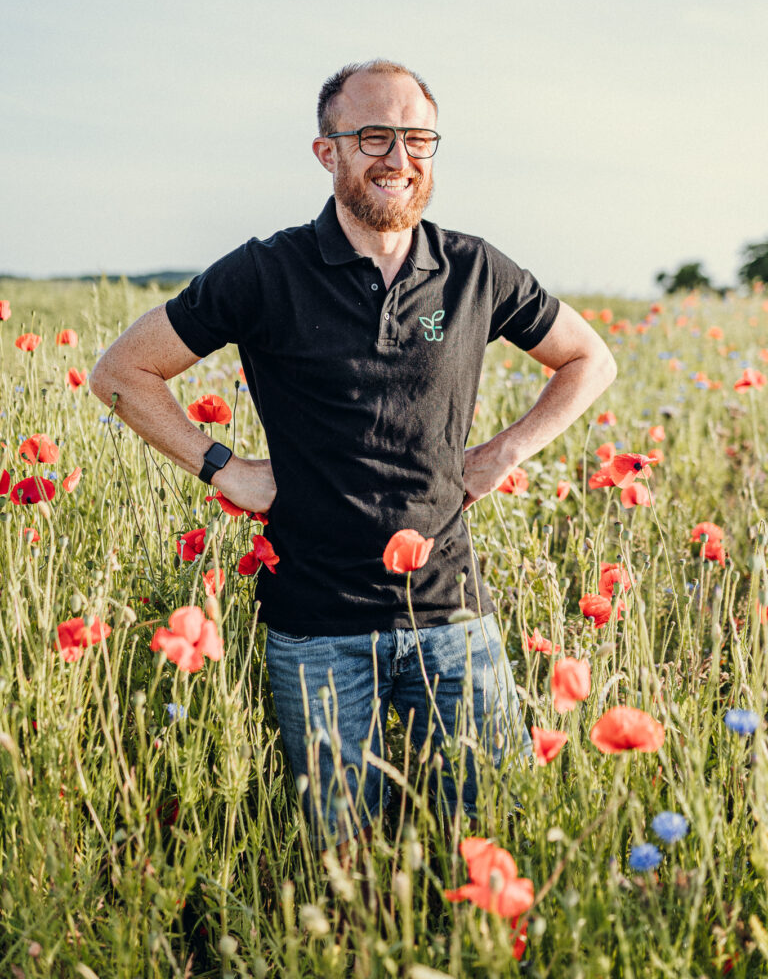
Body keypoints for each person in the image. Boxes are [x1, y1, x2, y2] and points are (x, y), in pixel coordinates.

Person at [90, 59, 616, 849]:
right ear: (326, 151)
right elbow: (120, 373)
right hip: (317, 626)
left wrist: (505, 451)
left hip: (453, 614)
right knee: (343, 858)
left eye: (417, 138)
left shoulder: (472, 269)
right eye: (373, 136)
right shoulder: (267, 272)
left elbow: (591, 360)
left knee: (494, 835)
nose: (398, 158)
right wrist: (226, 469)